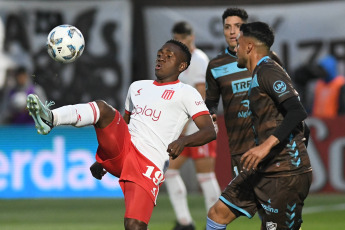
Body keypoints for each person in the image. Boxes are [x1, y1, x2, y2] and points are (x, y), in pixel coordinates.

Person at [26, 40, 217, 230]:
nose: (161, 57)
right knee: (102, 108)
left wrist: (183, 141)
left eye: (169, 55)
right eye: (160, 52)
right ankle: (51, 117)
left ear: (182, 66)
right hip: (124, 149)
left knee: (134, 225)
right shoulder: (137, 87)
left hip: (149, 163)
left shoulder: (186, 93)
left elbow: (209, 131)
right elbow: (124, 124)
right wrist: (104, 158)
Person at [206, 21, 312, 230]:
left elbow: (297, 111)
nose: (234, 48)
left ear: (249, 47)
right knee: (217, 213)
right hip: (262, 170)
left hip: (283, 177)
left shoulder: (268, 71)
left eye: (239, 43)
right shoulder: (258, 74)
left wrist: (271, 150)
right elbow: (304, 130)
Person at [164, 21, 220, 230]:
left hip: (198, 125)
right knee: (168, 169)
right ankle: (184, 222)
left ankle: (215, 223)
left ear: (191, 38)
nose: (180, 43)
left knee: (205, 175)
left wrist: (185, 123)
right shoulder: (177, 60)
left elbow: (200, 94)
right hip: (182, 125)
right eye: (176, 39)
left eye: (183, 39)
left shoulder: (198, 60)